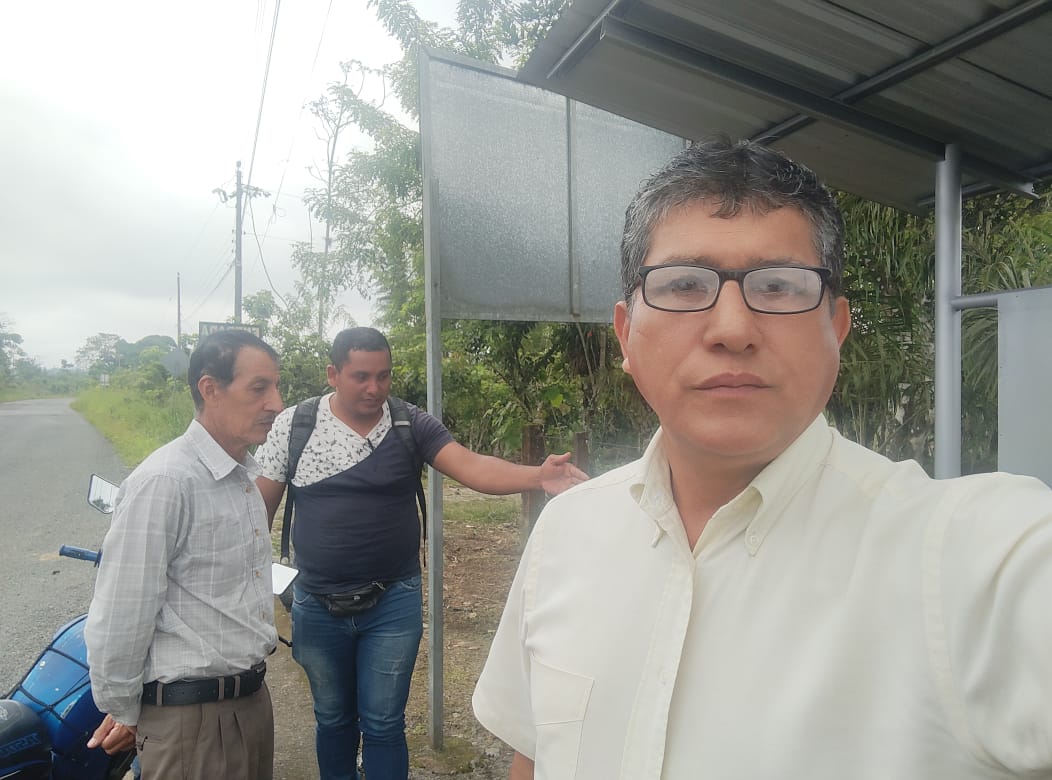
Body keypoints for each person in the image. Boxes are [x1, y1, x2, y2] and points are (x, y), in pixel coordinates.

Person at [472, 137, 1052, 779]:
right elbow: (534, 759)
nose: (732, 329)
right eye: (684, 284)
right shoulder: (566, 532)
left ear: (836, 329)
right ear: (626, 335)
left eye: (778, 286)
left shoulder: (962, 555)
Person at [253, 326, 589, 780]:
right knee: (332, 719)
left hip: (393, 601)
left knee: (383, 722)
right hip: (316, 602)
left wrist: (537, 477)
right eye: (361, 377)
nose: (375, 388)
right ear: (333, 374)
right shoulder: (295, 426)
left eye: (383, 376)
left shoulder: (409, 423)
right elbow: (255, 513)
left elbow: (471, 466)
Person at [84, 329, 284, 779]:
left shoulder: (241, 479)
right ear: (210, 389)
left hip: (250, 703)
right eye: (259, 388)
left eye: (276, 386)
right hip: (192, 722)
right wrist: (125, 710)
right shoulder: (166, 481)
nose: (276, 402)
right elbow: (122, 612)